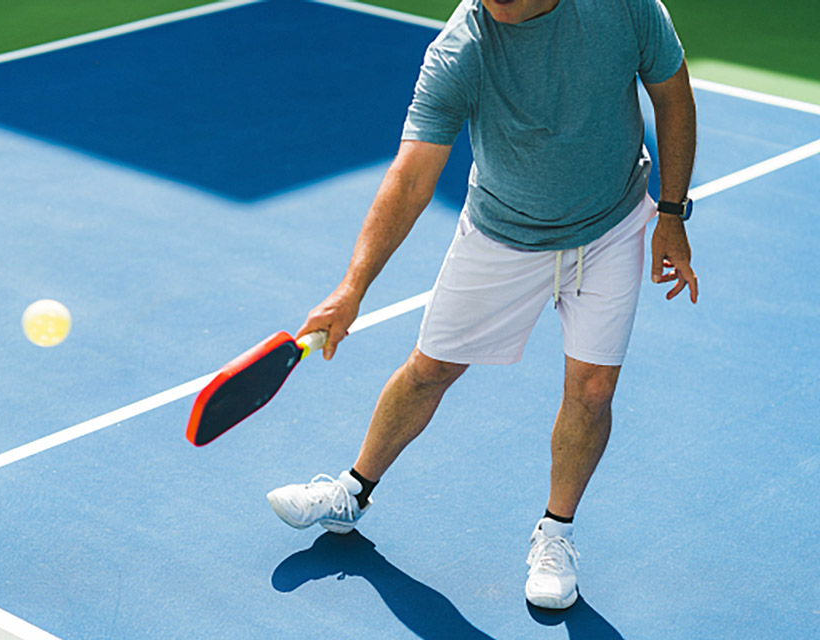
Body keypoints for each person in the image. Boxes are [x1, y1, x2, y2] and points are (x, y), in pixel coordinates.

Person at [267, 0, 697, 610]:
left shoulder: (622, 8)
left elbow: (672, 93)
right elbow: (412, 175)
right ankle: (350, 493)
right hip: (502, 233)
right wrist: (352, 287)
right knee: (429, 370)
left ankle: (555, 533)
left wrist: (673, 214)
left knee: (593, 388)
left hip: (612, 224)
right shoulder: (461, 48)